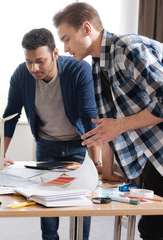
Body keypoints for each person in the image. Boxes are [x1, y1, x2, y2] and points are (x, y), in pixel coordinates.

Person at [53, 2, 163, 239]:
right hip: (154, 155)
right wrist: (106, 170)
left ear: (86, 28)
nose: (65, 48)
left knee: (153, 228)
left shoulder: (127, 50)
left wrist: (120, 125)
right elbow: (107, 123)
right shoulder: (98, 65)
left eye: (66, 39)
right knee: (150, 226)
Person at [0, 28, 99, 240]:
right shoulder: (22, 74)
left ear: (55, 54)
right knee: (47, 202)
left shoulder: (78, 69)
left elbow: (89, 117)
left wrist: (96, 164)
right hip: (47, 146)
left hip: (79, 145)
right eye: (29, 61)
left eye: (40, 61)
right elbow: (10, 115)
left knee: (82, 200)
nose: (34, 68)